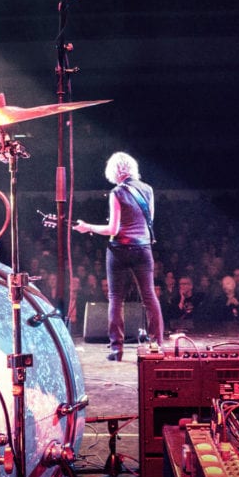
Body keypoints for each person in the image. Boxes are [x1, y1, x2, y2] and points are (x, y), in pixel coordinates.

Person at [74, 152, 165, 361]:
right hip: (143, 248)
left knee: (116, 298)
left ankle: (117, 349)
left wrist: (88, 227)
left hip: (120, 250)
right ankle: (157, 345)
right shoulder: (148, 190)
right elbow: (148, 220)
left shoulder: (117, 192)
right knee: (150, 296)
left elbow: (113, 229)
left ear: (114, 171)